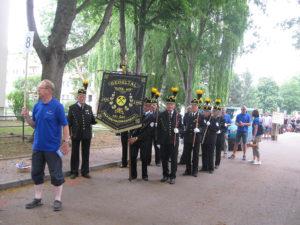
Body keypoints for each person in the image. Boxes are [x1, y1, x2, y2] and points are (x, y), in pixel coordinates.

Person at [21, 79, 70, 211]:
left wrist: (66, 142)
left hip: (53, 148)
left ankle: (57, 200)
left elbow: (65, 125)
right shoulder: (37, 106)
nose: (38, 90)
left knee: (56, 174)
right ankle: (38, 199)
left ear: (48, 90)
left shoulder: (57, 106)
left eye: (40, 87)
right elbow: (34, 125)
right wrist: (26, 117)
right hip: (38, 147)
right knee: (36, 173)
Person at [68, 87, 97, 179]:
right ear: (77, 97)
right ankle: (74, 172)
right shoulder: (72, 108)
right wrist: (68, 135)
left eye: (84, 96)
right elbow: (69, 123)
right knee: (75, 153)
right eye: (80, 96)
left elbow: (92, 121)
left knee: (86, 153)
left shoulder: (89, 108)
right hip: (76, 134)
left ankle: (85, 172)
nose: (82, 98)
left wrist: (99, 118)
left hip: (86, 135)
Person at [157, 88, 183, 184]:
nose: (170, 106)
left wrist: (178, 130)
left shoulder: (178, 115)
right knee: (164, 159)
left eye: (171, 104)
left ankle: (173, 176)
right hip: (164, 141)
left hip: (174, 141)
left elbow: (182, 128)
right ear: (166, 105)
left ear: (174, 105)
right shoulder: (161, 115)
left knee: (174, 160)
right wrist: (158, 141)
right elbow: (158, 129)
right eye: (168, 104)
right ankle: (165, 175)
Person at [128, 98, 155, 181]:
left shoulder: (152, 117)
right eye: (145, 105)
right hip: (134, 139)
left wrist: (137, 138)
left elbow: (148, 132)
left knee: (144, 158)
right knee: (133, 157)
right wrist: (131, 135)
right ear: (143, 106)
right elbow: (132, 126)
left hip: (144, 140)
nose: (147, 107)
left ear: (151, 107)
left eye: (148, 106)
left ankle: (144, 175)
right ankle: (133, 174)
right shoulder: (137, 115)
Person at [182, 98, 205, 177]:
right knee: (187, 154)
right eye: (192, 105)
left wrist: (199, 129)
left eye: (195, 106)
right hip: (188, 137)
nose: (193, 107)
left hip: (196, 137)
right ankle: (188, 170)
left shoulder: (201, 115)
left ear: (197, 107)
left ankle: (195, 171)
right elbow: (184, 124)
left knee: (195, 155)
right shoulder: (187, 115)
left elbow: (203, 126)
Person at [200, 98, 220, 174]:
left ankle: (211, 168)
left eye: (206, 111)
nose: (205, 112)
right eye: (204, 111)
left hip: (211, 139)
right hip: (204, 138)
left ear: (209, 112)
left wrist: (210, 125)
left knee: (210, 153)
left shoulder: (214, 119)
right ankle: (204, 167)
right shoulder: (202, 118)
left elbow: (217, 128)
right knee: (204, 153)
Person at [214, 102, 226, 169]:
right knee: (212, 151)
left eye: (219, 111)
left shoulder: (223, 119)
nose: (218, 112)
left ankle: (217, 164)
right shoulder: (213, 118)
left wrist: (220, 131)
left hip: (219, 137)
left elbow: (224, 128)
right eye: (217, 111)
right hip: (213, 136)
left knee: (218, 151)